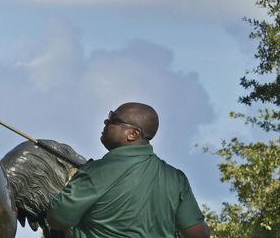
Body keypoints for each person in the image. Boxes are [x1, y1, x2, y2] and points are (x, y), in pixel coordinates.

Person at [47, 102, 211, 238]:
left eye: (113, 119)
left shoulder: (96, 171)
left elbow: (57, 219)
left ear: (133, 134)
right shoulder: (176, 178)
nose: (106, 121)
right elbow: (198, 234)